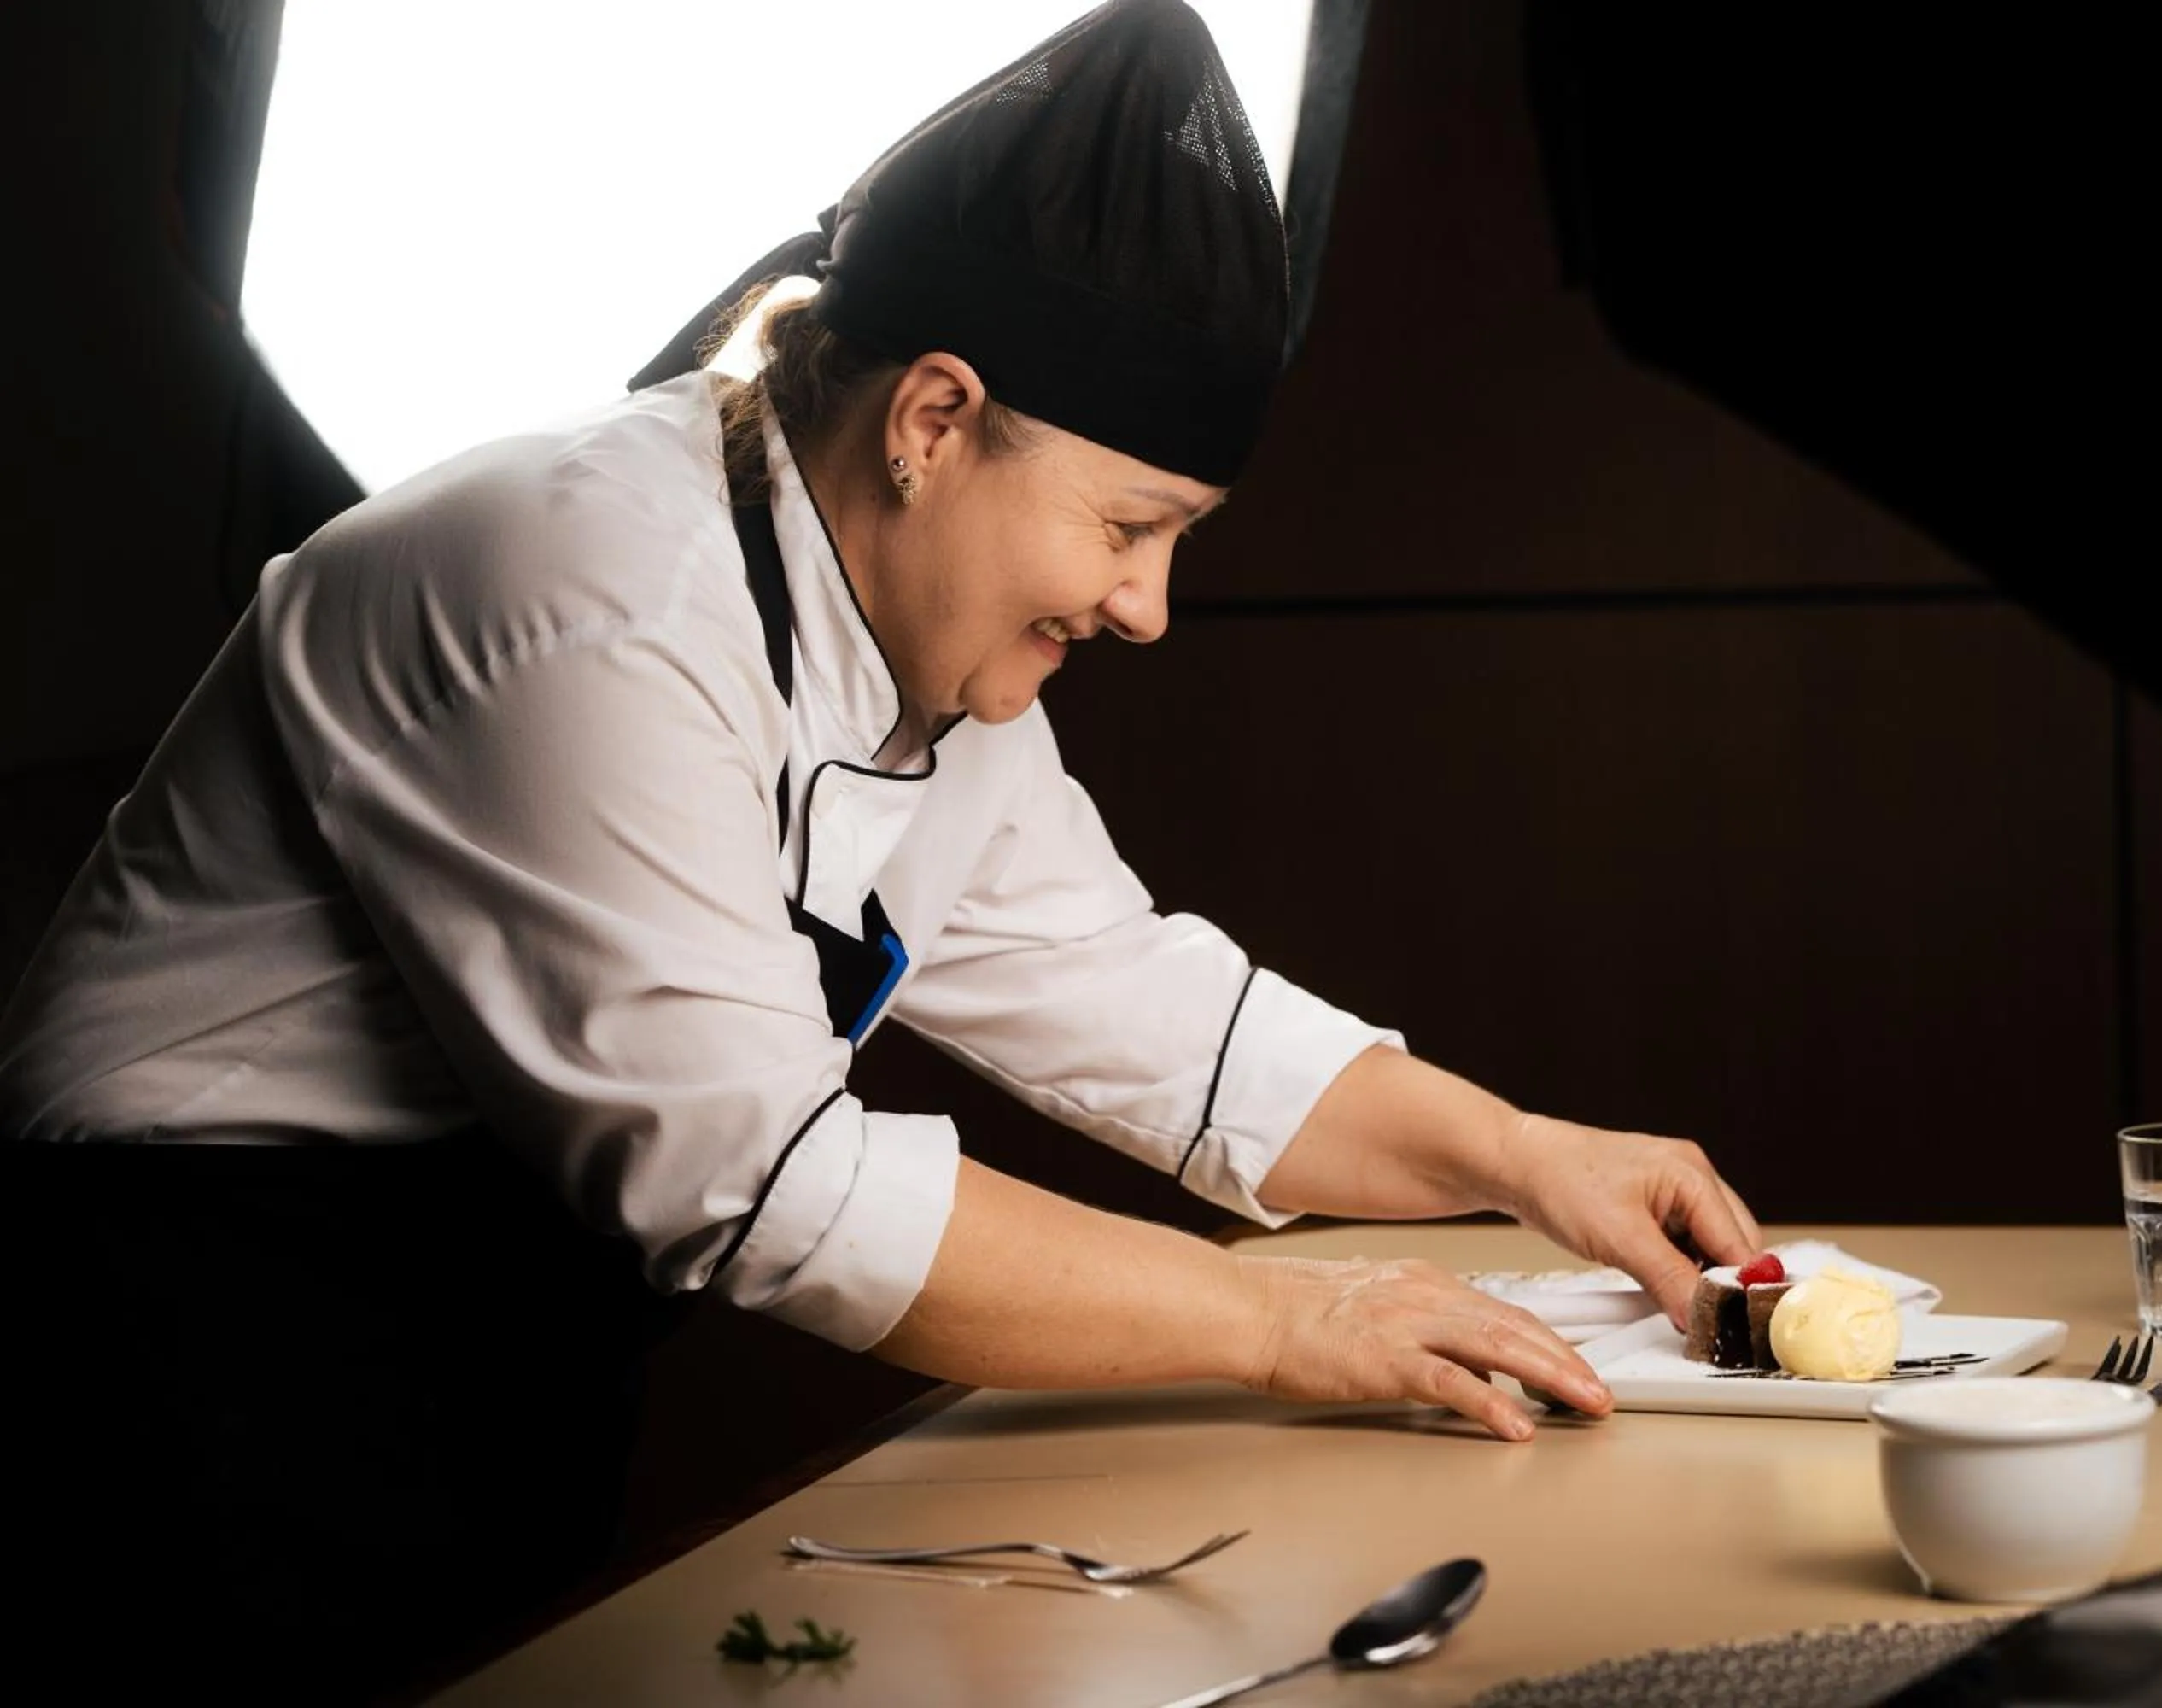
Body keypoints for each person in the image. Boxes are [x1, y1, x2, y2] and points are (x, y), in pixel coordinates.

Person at [0, 2, 1758, 1696]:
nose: (1150, 607)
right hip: (195, 1322)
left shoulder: (919, 648)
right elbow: (765, 1187)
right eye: (1132, 526)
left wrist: (1527, 1156)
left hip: (490, 1341)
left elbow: (1140, 1003)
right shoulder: (588, 591)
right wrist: (1298, 1324)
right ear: (931, 420)